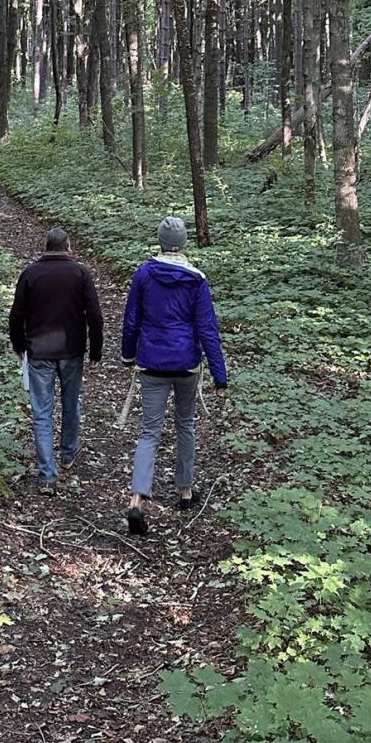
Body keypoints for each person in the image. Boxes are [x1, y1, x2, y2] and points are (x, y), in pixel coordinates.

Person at [121, 214, 228, 536]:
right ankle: (185, 491)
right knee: (186, 424)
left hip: (151, 361)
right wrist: (220, 375)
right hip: (186, 364)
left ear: (160, 241)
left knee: (149, 432)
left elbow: (131, 319)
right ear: (183, 244)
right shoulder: (197, 279)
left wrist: (128, 355)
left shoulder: (143, 273)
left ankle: (137, 500)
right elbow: (207, 329)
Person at [9, 227, 104, 494]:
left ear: (46, 246)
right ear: (68, 247)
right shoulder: (80, 273)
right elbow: (95, 315)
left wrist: (19, 346)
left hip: (39, 351)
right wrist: (95, 350)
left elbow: (16, 316)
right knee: (71, 403)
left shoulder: (30, 274)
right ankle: (68, 452)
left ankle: (47, 475)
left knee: (42, 413)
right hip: (71, 351)